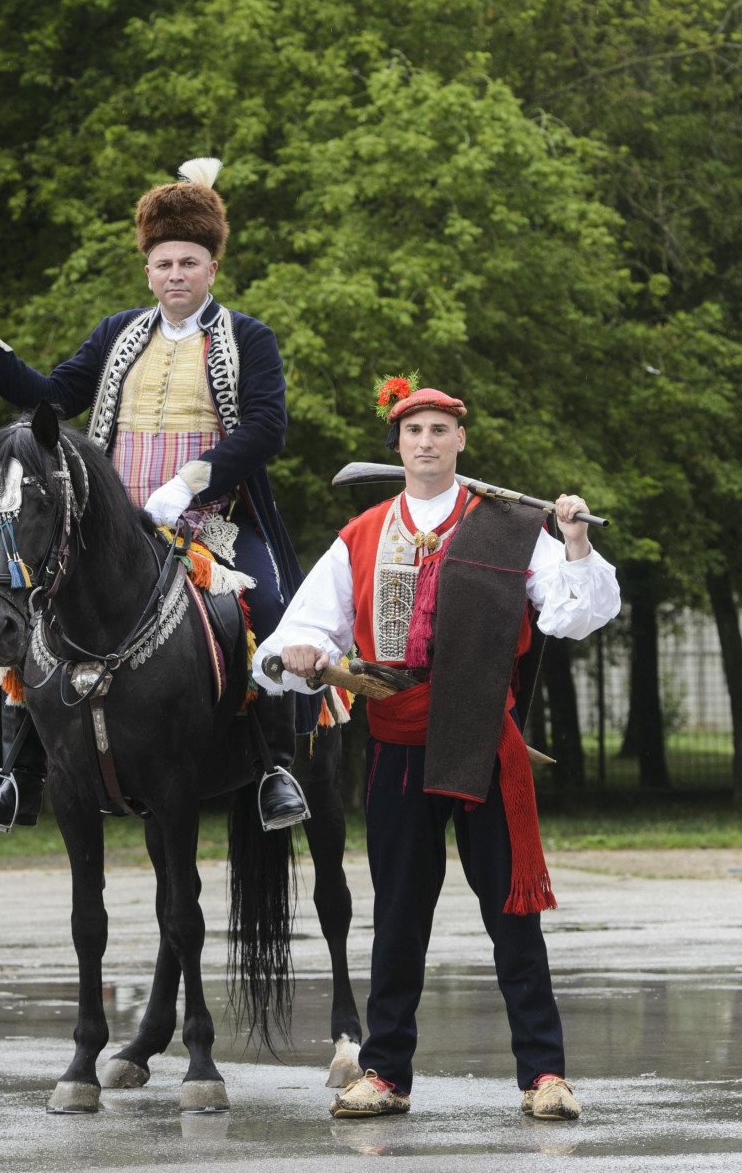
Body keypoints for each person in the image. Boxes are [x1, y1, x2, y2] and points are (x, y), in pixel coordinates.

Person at [252, 376, 621, 1122]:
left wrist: (577, 545)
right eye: (413, 430)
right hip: (396, 745)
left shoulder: (512, 528)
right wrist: (299, 653)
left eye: (438, 430)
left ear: (461, 441)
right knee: (398, 917)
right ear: (399, 443)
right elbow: (303, 630)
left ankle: (544, 1073)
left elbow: (579, 614)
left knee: (513, 917)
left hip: (483, 741)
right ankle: (385, 1071)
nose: (425, 441)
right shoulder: (359, 534)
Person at [0, 156, 310, 832]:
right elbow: (55, 398)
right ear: (147, 270)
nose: (175, 274)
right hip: (116, 527)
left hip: (215, 524)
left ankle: (275, 766)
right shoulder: (118, 331)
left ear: (212, 268)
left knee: (269, 605)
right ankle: (19, 774)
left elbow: (267, 427)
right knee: (33, 606)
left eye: (188, 261)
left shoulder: (248, 337)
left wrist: (190, 482)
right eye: (163, 263)